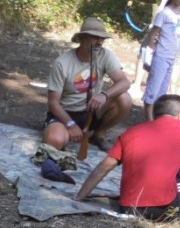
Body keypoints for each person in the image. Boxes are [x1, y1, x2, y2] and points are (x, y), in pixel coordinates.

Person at [75, 94, 180, 222]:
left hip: (128, 207)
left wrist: (79, 198)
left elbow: (104, 166)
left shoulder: (131, 132)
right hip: (163, 207)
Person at [42, 17, 132, 153]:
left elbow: (124, 82)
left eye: (103, 39)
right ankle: (66, 133)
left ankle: (98, 134)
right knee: (55, 140)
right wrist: (70, 124)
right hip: (66, 113)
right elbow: (53, 103)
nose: (100, 43)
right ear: (81, 38)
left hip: (92, 110)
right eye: (96, 38)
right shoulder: (62, 63)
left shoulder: (105, 55)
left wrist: (103, 95)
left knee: (124, 98)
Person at [140, 0, 180, 120]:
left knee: (162, 92)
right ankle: (149, 121)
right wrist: (151, 50)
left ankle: (158, 120)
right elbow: (153, 34)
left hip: (171, 57)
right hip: (161, 56)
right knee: (152, 90)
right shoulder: (164, 14)